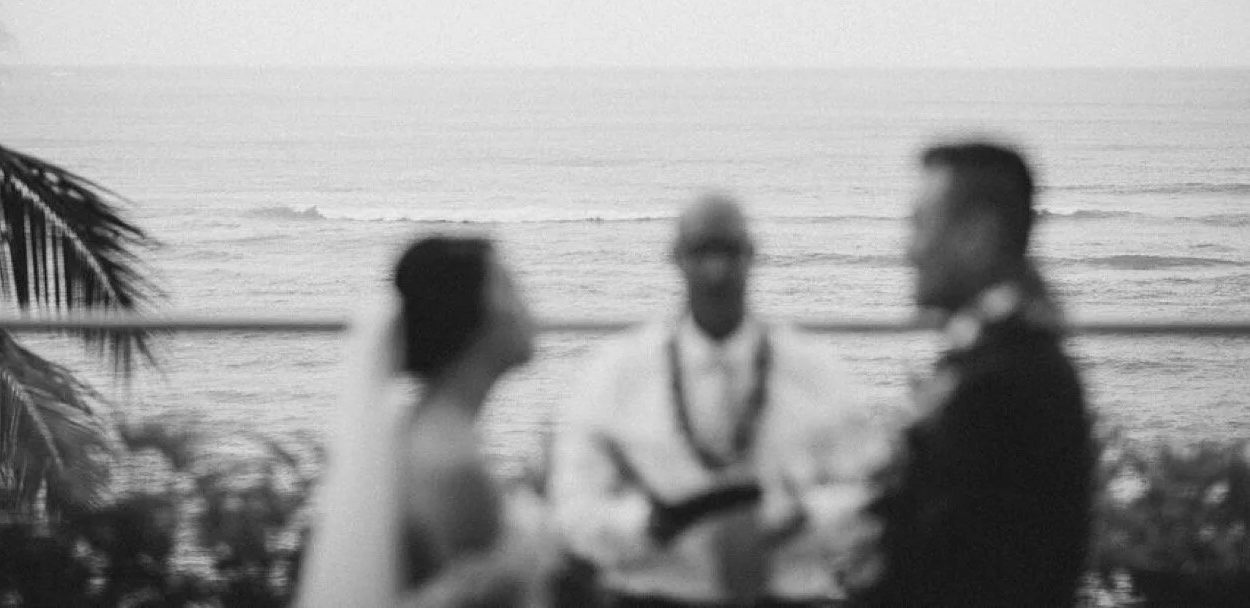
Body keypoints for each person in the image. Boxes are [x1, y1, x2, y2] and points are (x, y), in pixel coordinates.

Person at [549, 193, 881, 608]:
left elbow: (871, 495)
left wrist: (802, 518)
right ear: (676, 257)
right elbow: (573, 511)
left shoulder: (814, 371)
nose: (717, 271)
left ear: (752, 255)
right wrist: (648, 524)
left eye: (729, 252)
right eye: (702, 252)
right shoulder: (617, 373)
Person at [845, 142, 1093, 608]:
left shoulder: (1000, 384)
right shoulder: (1013, 353)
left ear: (976, 235)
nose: (909, 249)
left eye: (921, 224)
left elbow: (942, 571)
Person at [299, 235, 546, 608]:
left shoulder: (416, 429)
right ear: (471, 318)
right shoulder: (455, 468)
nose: (530, 308)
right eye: (512, 288)